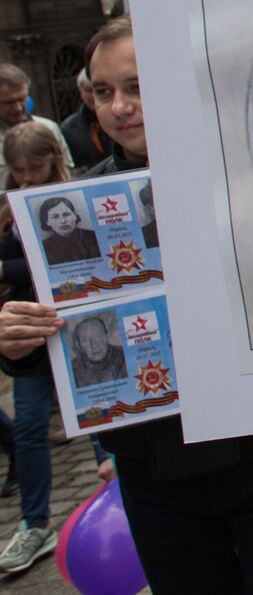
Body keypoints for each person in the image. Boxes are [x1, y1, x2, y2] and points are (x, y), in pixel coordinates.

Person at [0, 17, 253, 591]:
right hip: (153, 475)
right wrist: (15, 341)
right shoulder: (68, 214)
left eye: (136, 85)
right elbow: (47, 333)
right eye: (103, 92)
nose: (120, 106)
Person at [0, 122, 72, 573]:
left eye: (35, 169)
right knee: (28, 428)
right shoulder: (9, 206)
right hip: (28, 340)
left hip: (68, 329)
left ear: (54, 161)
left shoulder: (71, 201)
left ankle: (121, 499)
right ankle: (34, 522)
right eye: (18, 172)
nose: (26, 179)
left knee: (100, 427)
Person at [0, 65, 74, 181]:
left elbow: (67, 172)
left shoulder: (49, 127)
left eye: (21, 99)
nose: (18, 108)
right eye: (9, 102)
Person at [59, 69, 113, 173]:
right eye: (89, 90)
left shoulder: (120, 117)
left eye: (100, 91)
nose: (94, 96)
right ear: (81, 92)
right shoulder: (68, 127)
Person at [36, 197, 100, 265]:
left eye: (66, 214)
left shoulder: (95, 236)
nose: (63, 221)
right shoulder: (43, 248)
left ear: (75, 215)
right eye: (55, 217)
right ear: (47, 221)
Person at [68, 314, 125, 388]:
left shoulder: (124, 355)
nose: (94, 345)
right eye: (85, 340)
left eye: (98, 336)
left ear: (106, 336)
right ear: (79, 345)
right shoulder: (73, 369)